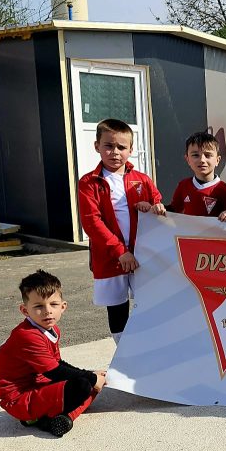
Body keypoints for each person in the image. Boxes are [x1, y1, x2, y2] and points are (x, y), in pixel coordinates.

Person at [77, 118, 164, 343]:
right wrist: (120, 252)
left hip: (142, 256)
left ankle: (148, 349)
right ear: (97, 146)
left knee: (149, 304)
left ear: (131, 150)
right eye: (108, 146)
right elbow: (92, 223)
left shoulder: (142, 180)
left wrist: (154, 206)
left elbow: (158, 204)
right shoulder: (88, 183)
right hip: (110, 258)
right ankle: (122, 354)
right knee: (117, 309)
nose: (115, 152)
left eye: (121, 147)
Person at [0, 270, 107, 437]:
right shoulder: (27, 335)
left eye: (53, 304)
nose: (47, 311)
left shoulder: (52, 330)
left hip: (39, 385)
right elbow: (55, 371)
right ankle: (41, 418)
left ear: (63, 306)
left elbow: (57, 363)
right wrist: (91, 378)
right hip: (19, 398)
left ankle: (56, 418)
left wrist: (92, 375)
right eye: (38, 306)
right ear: (25, 310)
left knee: (94, 383)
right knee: (84, 385)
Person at [168, 131, 226, 220]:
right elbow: (171, 213)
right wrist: (158, 208)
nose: (202, 160)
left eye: (208, 155)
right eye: (196, 155)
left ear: (217, 160)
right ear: (187, 159)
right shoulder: (183, 186)